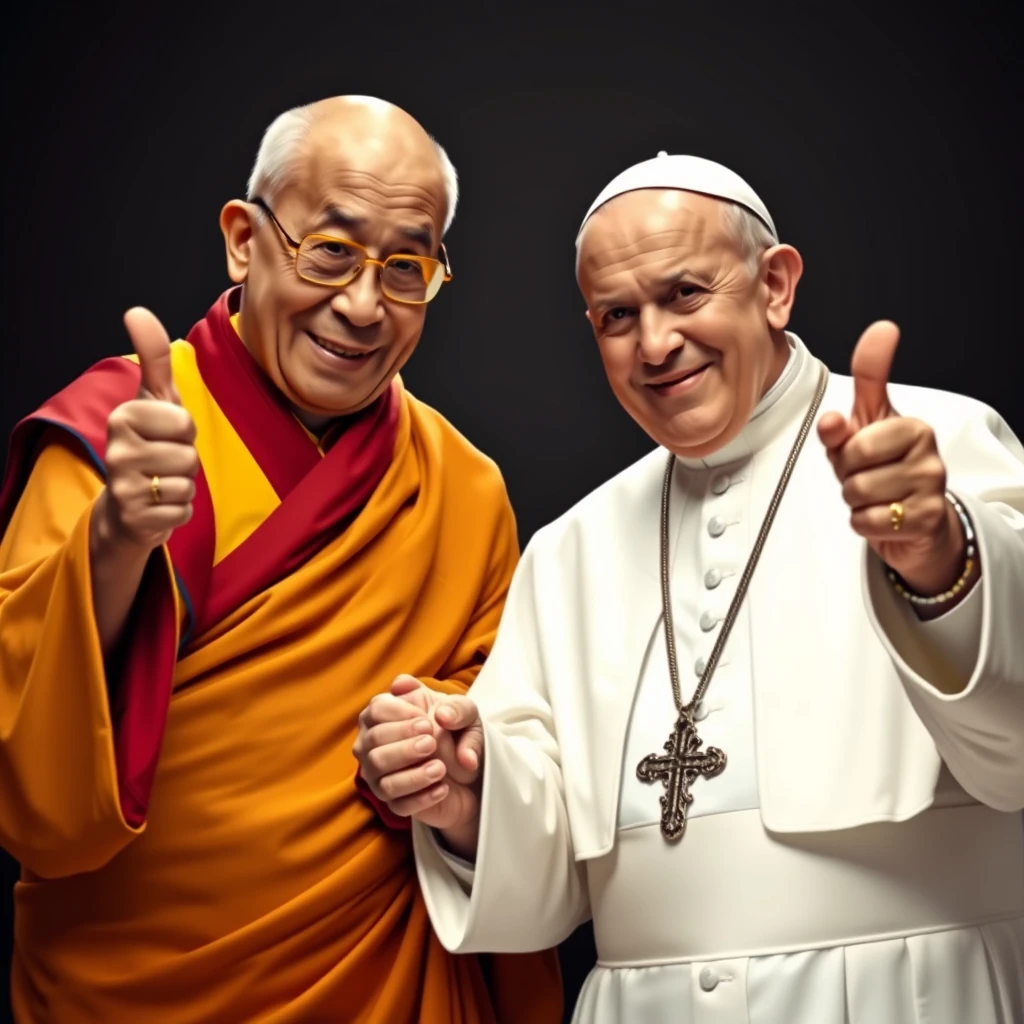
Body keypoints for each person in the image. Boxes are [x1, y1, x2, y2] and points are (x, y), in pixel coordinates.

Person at [354, 152, 1024, 1024]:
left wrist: (939, 557)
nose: (656, 344)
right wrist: (462, 792)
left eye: (685, 294)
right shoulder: (570, 548)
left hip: (913, 992)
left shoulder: (940, 440)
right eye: (617, 316)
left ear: (776, 286)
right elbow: (548, 880)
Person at [0, 95, 561, 1023]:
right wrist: (112, 543)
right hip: (115, 987)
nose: (362, 305)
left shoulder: (460, 491)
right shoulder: (116, 433)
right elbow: (28, 771)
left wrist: (455, 768)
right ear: (243, 240)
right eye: (330, 251)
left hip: (376, 983)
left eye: (406, 267)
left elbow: (507, 767)